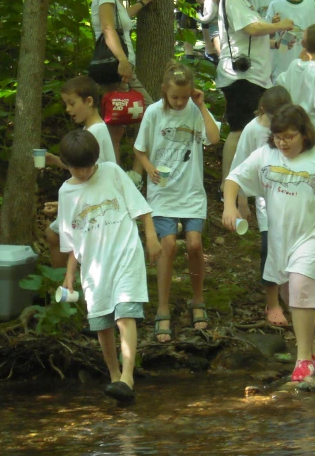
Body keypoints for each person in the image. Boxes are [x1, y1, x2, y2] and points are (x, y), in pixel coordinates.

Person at [223, 105, 315, 382]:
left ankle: (303, 359)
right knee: (289, 295)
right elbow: (234, 178)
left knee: (300, 287)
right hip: (280, 238)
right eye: (278, 137)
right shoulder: (266, 155)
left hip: (312, 235)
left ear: (304, 133)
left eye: (289, 137)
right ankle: (313, 349)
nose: (282, 143)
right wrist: (229, 207)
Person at [57, 130, 161, 403]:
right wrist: (69, 275)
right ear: (66, 164)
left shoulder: (112, 172)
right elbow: (71, 242)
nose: (84, 172)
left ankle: (128, 377)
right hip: (93, 267)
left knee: (125, 315)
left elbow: (141, 207)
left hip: (125, 255)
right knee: (102, 325)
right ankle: (115, 377)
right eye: (77, 168)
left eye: (88, 165)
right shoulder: (66, 193)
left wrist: (151, 237)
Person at [134, 63, 221, 343]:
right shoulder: (153, 113)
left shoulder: (195, 111)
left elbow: (214, 138)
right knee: (168, 244)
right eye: (175, 97)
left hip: (191, 191)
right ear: (164, 92)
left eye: (184, 96)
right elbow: (140, 149)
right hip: (163, 192)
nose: (180, 102)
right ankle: (162, 308)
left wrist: (201, 105)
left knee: (194, 244)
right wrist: (148, 168)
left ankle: (198, 299)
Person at [216, 0, 294, 198]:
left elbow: (255, 35)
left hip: (255, 77)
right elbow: (251, 29)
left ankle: (248, 184)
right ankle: (227, 186)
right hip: (242, 78)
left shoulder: (244, 1)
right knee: (239, 129)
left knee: (252, 128)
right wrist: (279, 26)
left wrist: (273, 32)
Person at [91, 0, 158, 177]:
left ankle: (122, 175)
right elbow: (108, 27)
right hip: (118, 69)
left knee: (117, 125)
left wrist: (143, 1)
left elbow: (121, 20)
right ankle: (127, 176)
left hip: (123, 69)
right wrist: (123, 60)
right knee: (149, 112)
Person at [230, 86, 293, 327]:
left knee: (294, 250)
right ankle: (273, 303)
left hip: (293, 198)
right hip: (267, 200)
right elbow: (239, 167)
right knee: (270, 250)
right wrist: (241, 201)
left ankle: (297, 301)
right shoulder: (252, 130)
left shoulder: (293, 126)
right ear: (264, 110)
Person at [44, 76, 117, 269]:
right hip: (87, 198)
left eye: (72, 103)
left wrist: (70, 203)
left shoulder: (97, 132)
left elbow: (93, 172)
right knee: (56, 236)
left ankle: (65, 285)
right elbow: (83, 166)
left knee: (55, 235)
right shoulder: (91, 129)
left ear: (89, 101)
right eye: (66, 104)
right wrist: (56, 161)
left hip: (93, 200)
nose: (68, 109)